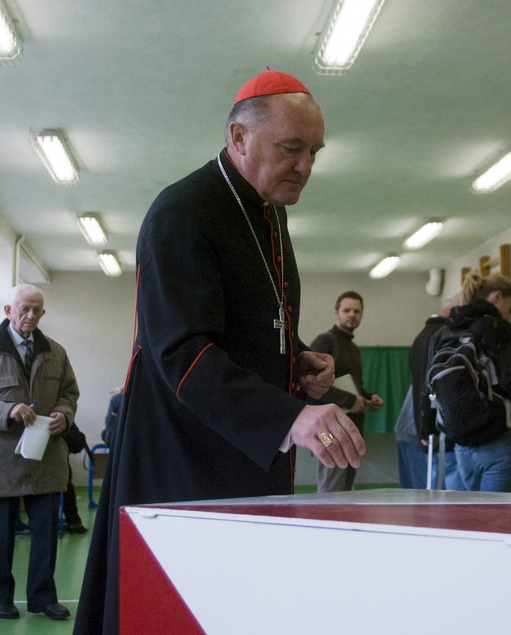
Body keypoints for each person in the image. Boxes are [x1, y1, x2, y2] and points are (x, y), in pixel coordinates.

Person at [74, 70, 365, 635]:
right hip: (182, 460)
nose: (306, 166)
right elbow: (181, 350)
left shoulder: (269, 212)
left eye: (314, 151)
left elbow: (249, 320)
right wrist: (291, 416)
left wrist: (297, 357)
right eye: (291, 148)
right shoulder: (182, 211)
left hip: (246, 456)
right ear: (238, 138)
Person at [0, 284, 79, 621]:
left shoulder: (56, 352)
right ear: (8, 311)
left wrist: (64, 415)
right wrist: (5, 411)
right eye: (24, 309)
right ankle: (0, 598)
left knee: (47, 534)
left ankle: (42, 597)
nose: (31, 316)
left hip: (46, 459)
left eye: (37, 310)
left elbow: (69, 393)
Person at [423, 273, 511, 492]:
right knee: (499, 519)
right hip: (497, 439)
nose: (509, 318)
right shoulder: (495, 327)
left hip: (461, 442)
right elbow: (508, 381)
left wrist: (427, 427)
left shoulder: (444, 331)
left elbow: (429, 387)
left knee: (472, 518)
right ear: (497, 297)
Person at [309, 291, 383, 492]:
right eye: (347, 310)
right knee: (330, 491)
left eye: (357, 311)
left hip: (350, 428)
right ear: (336, 313)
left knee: (343, 492)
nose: (352, 314)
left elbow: (353, 384)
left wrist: (368, 397)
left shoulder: (353, 348)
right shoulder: (325, 341)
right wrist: (351, 400)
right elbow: (310, 383)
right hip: (329, 431)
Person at [403, 294, 461, 489]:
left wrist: (426, 426)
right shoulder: (446, 336)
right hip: (444, 426)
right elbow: (437, 386)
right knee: (453, 491)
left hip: (428, 427)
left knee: (433, 484)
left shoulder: (419, 338)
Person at [60, 421, 89, 534]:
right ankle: (74, 521)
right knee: (67, 486)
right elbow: (77, 444)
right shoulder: (62, 415)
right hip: (59, 469)